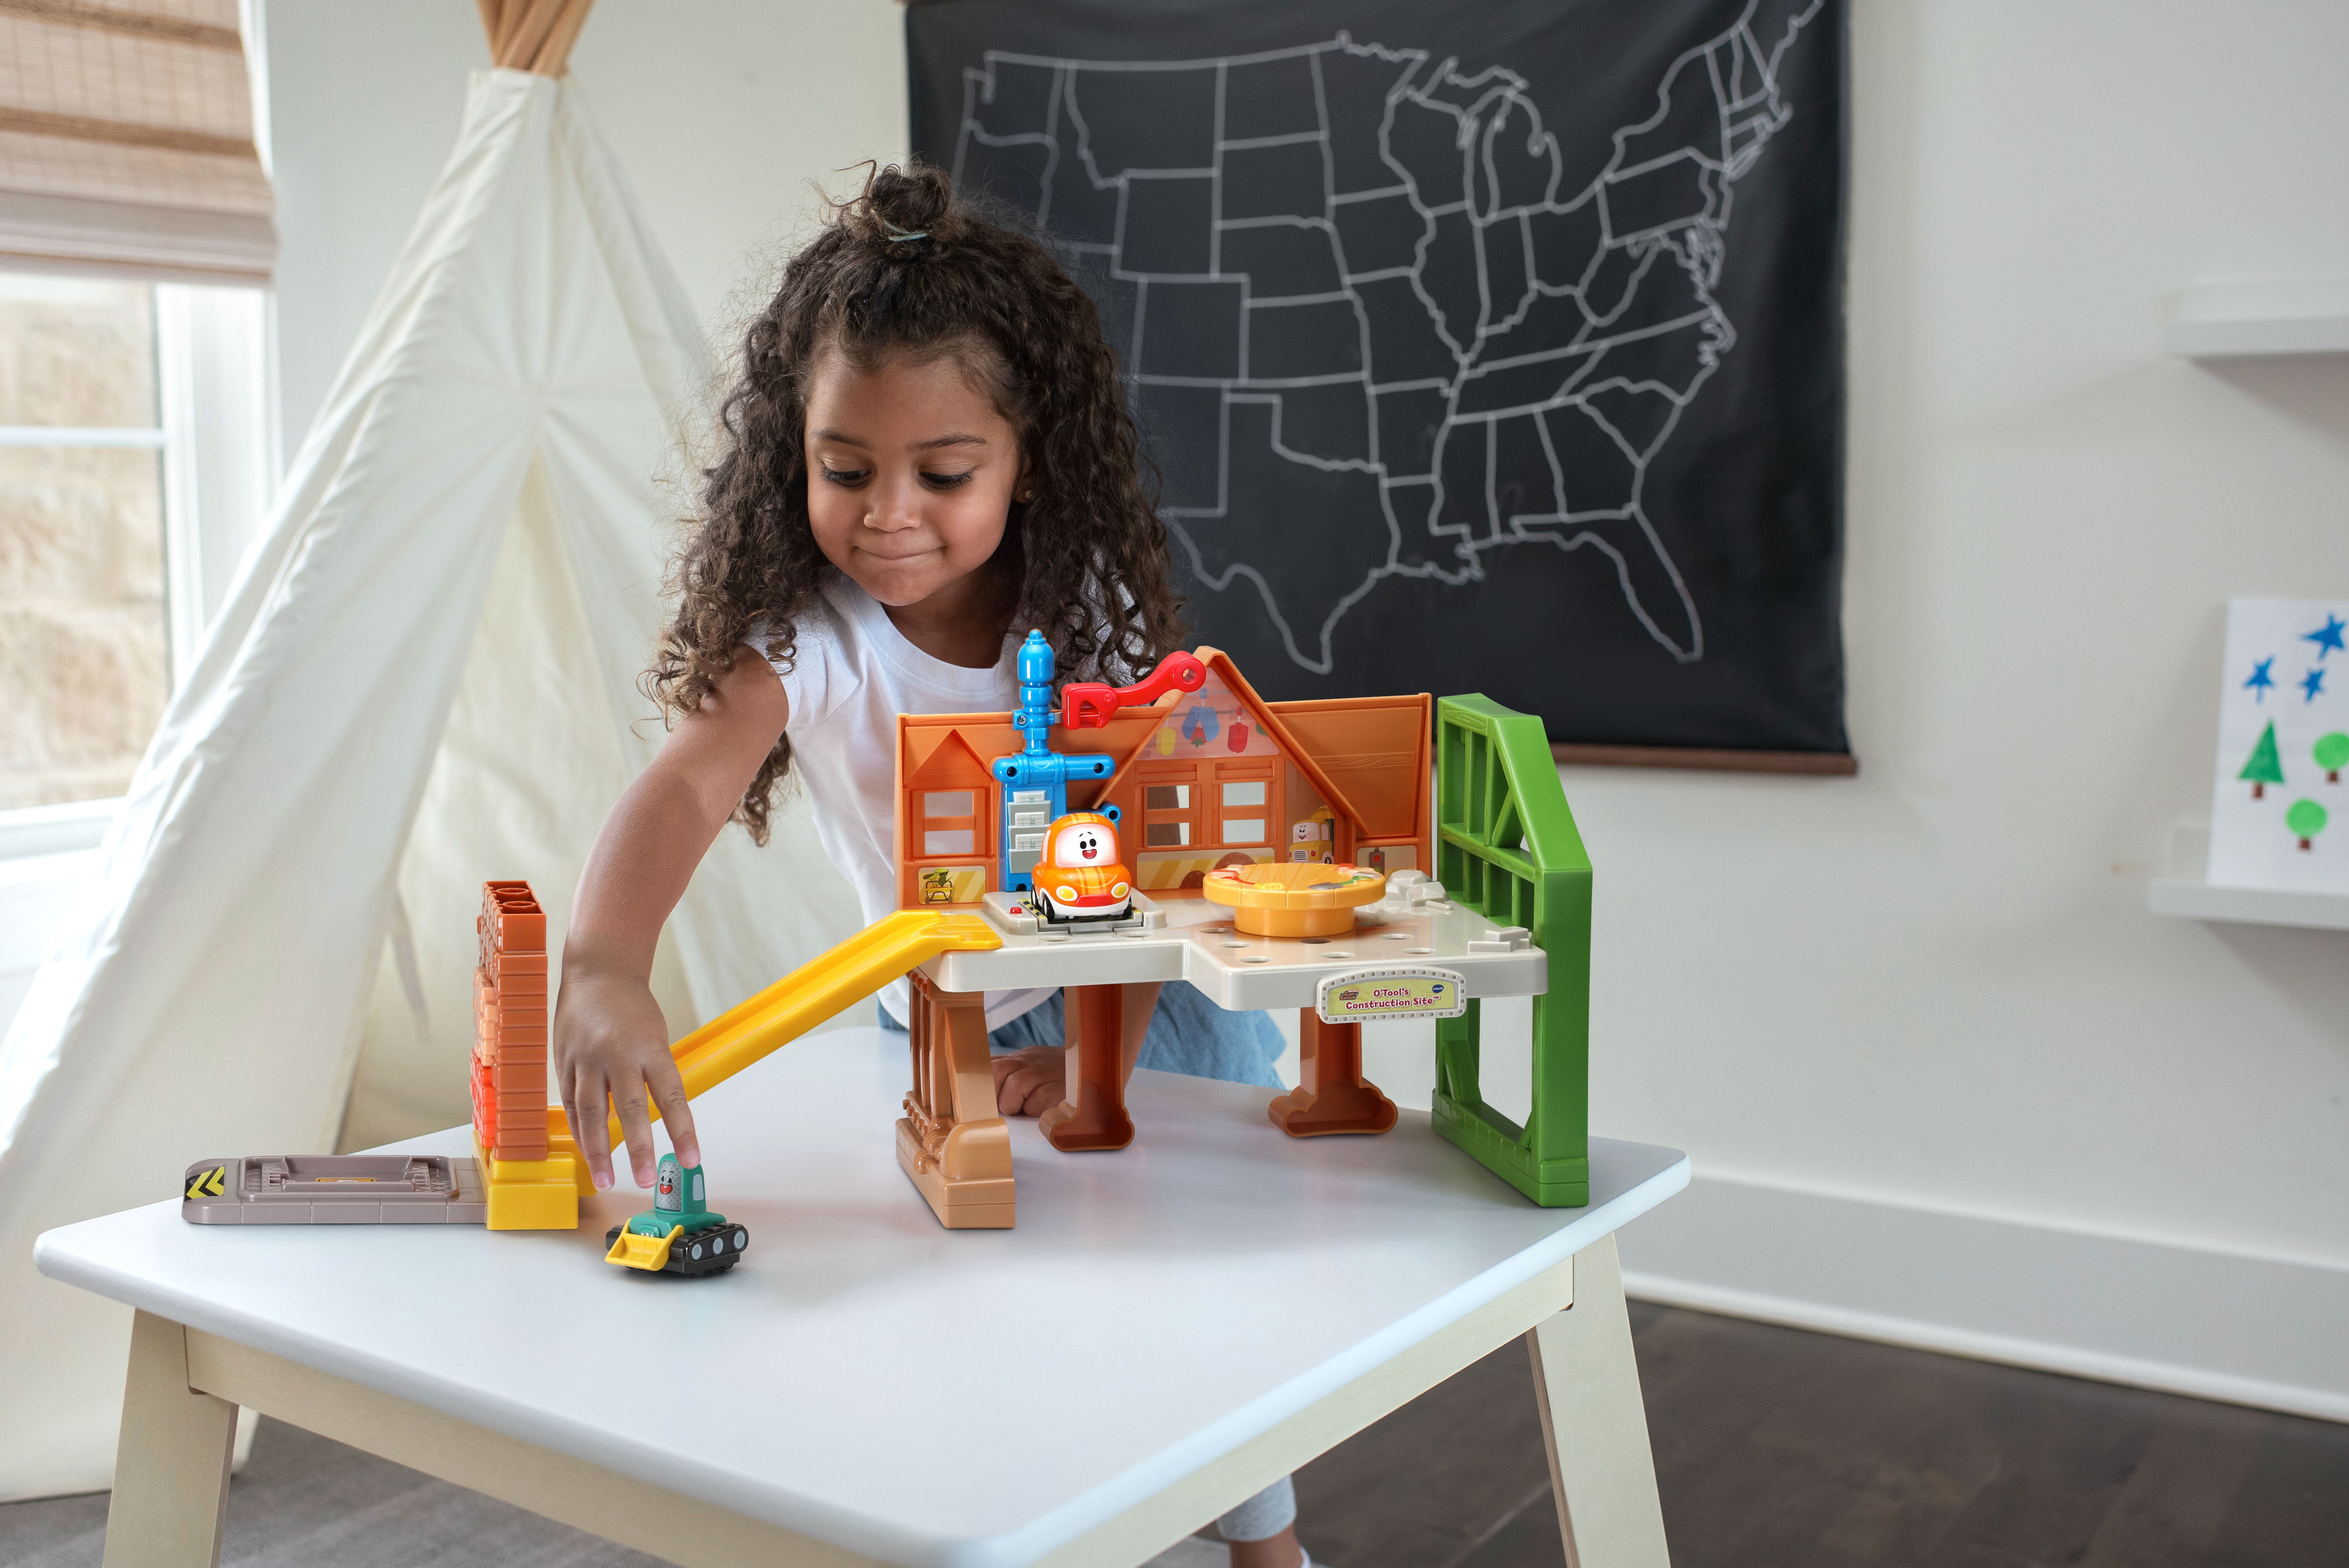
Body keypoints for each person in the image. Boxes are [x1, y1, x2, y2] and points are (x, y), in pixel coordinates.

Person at [550, 162, 1308, 1568]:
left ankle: (1266, 1546)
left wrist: (1096, 1056)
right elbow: (689, 780)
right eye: (845, 470)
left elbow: (1154, 840)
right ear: (795, 454)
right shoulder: (808, 637)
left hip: (1138, 1002)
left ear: (1028, 462)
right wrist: (603, 965)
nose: (887, 513)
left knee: (1184, 1289)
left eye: (944, 476)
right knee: (994, 1302)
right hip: (943, 1009)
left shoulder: (1078, 618)